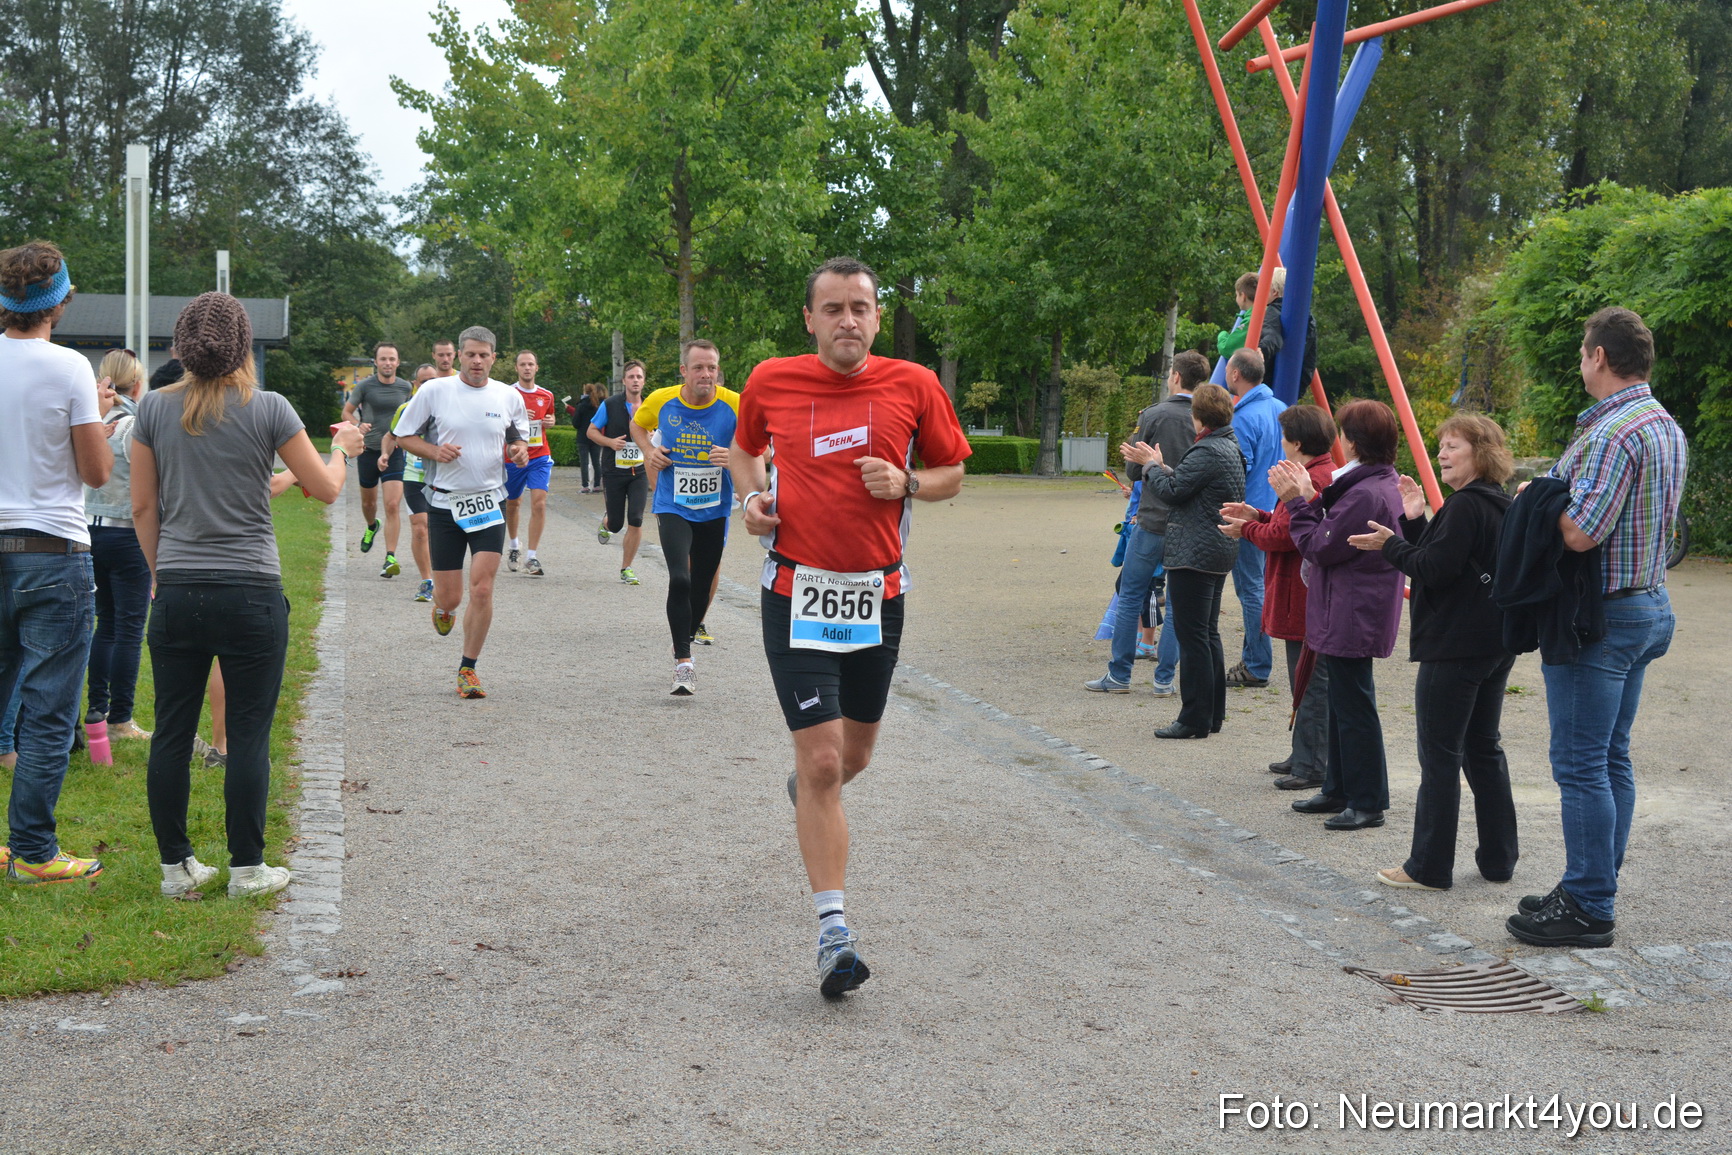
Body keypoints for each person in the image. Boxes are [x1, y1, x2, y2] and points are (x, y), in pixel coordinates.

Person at [730, 256, 969, 997]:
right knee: (826, 763)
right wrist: (752, 502)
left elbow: (953, 472)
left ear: (874, 315)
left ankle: (806, 790)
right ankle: (834, 932)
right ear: (810, 319)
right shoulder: (772, 380)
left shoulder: (914, 384)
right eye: (832, 308)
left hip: (877, 597)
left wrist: (909, 482)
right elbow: (743, 452)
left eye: (860, 308)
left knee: (851, 757)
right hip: (796, 591)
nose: (848, 321)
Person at [133, 291, 364, 898]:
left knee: (172, 730)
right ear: (244, 346)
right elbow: (327, 488)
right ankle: (247, 869)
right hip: (251, 591)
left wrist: (163, 573)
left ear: (182, 346)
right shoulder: (270, 409)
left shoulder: (152, 410)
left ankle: (175, 869)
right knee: (250, 731)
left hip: (180, 589)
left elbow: (141, 505)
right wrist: (343, 449)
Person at [1501, 308, 1685, 948]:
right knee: (1610, 757)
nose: (1581, 362)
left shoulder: (1613, 433)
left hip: (1602, 616)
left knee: (1580, 764)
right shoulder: (1663, 424)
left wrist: (1534, 500)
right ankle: (1593, 878)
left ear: (1599, 357)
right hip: (1647, 603)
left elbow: (1581, 531)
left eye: (1583, 352)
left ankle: (1588, 903)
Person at [1347, 413, 1518, 891]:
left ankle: (1428, 866)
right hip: (1493, 642)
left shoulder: (1466, 504)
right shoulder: (1496, 503)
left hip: (1456, 646)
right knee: (1483, 749)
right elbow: (1451, 561)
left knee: (1440, 755)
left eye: (1454, 446)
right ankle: (1499, 859)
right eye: (1441, 445)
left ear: (1480, 453)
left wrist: (1390, 544)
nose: (1442, 454)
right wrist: (1418, 519)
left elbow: (1435, 569)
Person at [0, 240, 113, 884]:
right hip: (52, 552)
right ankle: (35, 852)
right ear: (60, 301)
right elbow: (96, 470)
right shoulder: (70, 367)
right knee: (47, 712)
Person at [1272, 399, 1406, 831]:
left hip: (1353, 610)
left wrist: (1296, 502)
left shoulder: (1368, 492)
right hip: (1350, 606)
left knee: (1354, 706)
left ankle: (1366, 800)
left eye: (1344, 433)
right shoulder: (1371, 483)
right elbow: (1330, 524)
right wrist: (1311, 498)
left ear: (1354, 441)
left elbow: (1319, 545)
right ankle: (1339, 787)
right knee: (1344, 702)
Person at [392, 326, 530, 699]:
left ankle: (468, 668)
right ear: (459, 356)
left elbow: (519, 438)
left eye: (484, 355)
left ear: (494, 358)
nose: (476, 361)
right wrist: (434, 452)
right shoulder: (435, 391)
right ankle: (445, 608)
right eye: (470, 354)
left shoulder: (507, 396)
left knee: (482, 589)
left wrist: (518, 450)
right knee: (450, 597)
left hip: (489, 502)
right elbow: (404, 435)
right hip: (444, 504)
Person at [1219, 403, 1338, 789]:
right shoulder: (1315, 471)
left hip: (1302, 593)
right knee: (1303, 680)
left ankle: (1312, 763)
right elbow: (1287, 524)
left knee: (1310, 681)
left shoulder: (1312, 478)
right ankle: (1303, 753)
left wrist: (1248, 530)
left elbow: (1288, 535)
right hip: (1299, 590)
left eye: (1285, 436)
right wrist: (1257, 515)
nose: (1281, 442)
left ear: (1297, 442)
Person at [1084, 351, 1206, 695]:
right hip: (1189, 524)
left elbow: (1137, 471)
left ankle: (1120, 675)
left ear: (1177, 377)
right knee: (1181, 604)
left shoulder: (1155, 414)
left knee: (1131, 595)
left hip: (1152, 519)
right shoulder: (1207, 416)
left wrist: (1140, 464)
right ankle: (1164, 679)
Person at [1136, 384, 1246, 739]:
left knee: (1192, 636)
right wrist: (1164, 467)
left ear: (1198, 416)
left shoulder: (1207, 450)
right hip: (1215, 550)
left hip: (1194, 554)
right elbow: (1187, 484)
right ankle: (1212, 713)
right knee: (1206, 633)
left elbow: (1172, 492)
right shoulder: (1227, 445)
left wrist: (1151, 469)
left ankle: (1194, 718)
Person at [633, 340, 740, 694]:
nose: (706, 374)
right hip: (672, 504)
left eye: (711, 367)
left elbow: (764, 446)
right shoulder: (662, 399)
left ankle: (685, 639)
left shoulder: (735, 403)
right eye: (698, 368)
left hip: (715, 507)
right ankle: (684, 661)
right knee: (680, 577)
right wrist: (649, 451)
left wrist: (734, 456)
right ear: (684, 371)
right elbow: (638, 425)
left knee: (702, 582)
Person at [82, 349, 154, 744]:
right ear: (138, 384)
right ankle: (120, 718)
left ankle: (98, 706)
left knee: (104, 624)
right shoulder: (134, 424)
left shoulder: (91, 419)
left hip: (91, 530)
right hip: (127, 532)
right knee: (129, 629)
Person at [1222, 347, 1285, 688]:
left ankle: (1257, 664)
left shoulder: (1243, 418)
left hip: (1250, 517)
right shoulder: (1280, 410)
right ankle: (1253, 659)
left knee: (1251, 590)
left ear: (1235, 374)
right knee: (1261, 588)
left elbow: (1236, 471)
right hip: (1279, 512)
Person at [342, 342, 414, 579]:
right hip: (368, 451)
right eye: (383, 359)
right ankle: (372, 526)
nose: (388, 363)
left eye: (392, 359)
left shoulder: (405, 387)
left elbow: (412, 414)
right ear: (376, 362)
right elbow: (347, 412)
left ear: (398, 361)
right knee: (369, 504)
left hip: (394, 452)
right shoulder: (365, 386)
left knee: (392, 505)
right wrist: (356, 424)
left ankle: (390, 556)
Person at [380, 362, 439, 602]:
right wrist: (385, 454)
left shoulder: (451, 408)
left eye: (433, 381)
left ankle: (444, 575)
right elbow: (390, 436)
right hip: (414, 476)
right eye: (424, 381)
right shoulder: (405, 409)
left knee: (441, 530)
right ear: (416, 384)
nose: (429, 385)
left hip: (444, 478)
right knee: (420, 527)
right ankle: (427, 580)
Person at [589, 360, 649, 584]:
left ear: (643, 381)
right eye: (631, 377)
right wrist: (610, 442)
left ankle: (627, 568)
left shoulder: (650, 405)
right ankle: (606, 524)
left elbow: (659, 432)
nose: (635, 380)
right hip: (614, 471)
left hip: (639, 472)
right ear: (624, 381)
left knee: (636, 518)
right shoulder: (611, 404)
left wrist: (651, 437)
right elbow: (591, 431)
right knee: (616, 523)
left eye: (639, 377)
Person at [502, 349, 556, 576]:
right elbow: (500, 423)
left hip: (539, 455)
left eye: (530, 364)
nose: (526, 368)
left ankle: (532, 556)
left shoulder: (547, 395)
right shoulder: (507, 394)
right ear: (516, 368)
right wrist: (522, 416)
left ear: (536, 368)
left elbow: (550, 418)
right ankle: (514, 545)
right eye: (522, 364)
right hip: (513, 456)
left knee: (539, 503)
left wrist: (550, 421)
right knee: (512, 504)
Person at [1257, 266, 1317, 402]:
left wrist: (1262, 349)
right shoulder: (1307, 318)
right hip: (1295, 383)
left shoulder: (1273, 310)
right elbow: (1311, 358)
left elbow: (1272, 336)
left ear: (1274, 292)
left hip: (1271, 382)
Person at [574, 382, 606, 493]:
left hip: (583, 437)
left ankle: (585, 486)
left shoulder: (581, 405)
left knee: (584, 462)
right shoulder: (598, 405)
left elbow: (575, 423)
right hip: (596, 437)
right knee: (596, 462)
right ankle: (597, 485)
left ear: (584, 392)